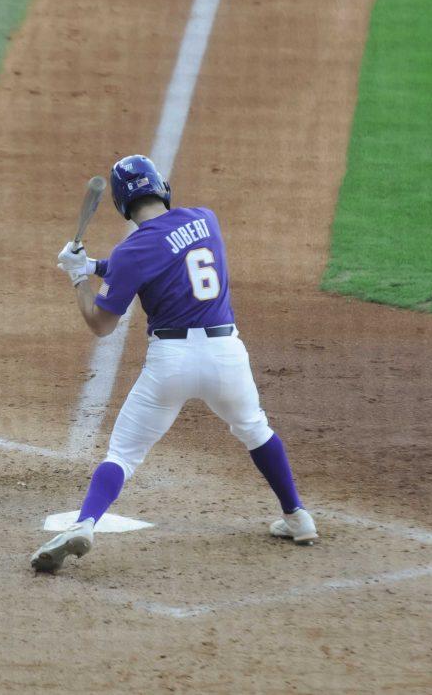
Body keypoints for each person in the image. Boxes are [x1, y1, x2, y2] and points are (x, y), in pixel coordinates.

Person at [31, 155, 318, 573]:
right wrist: (92, 264)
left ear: (121, 204)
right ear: (160, 187)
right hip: (226, 356)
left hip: (172, 364)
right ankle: (298, 517)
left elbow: (100, 324)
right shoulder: (206, 219)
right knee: (255, 429)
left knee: (123, 455)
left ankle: (86, 523)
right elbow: (162, 257)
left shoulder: (131, 251)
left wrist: (78, 278)